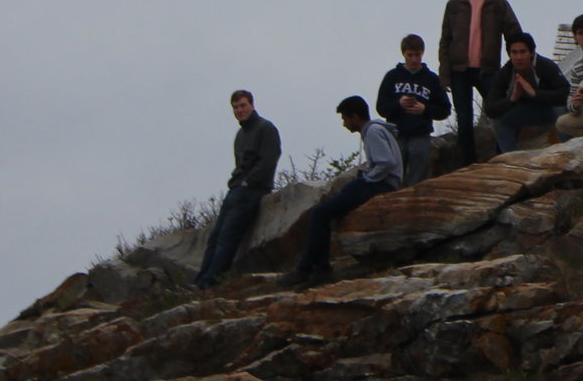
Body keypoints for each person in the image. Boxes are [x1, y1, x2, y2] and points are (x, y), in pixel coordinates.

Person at [291, 97, 402, 281]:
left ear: (355, 117)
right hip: (382, 183)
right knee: (326, 210)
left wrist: (368, 178)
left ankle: (310, 268)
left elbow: (387, 162)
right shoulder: (374, 131)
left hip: (381, 185)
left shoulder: (373, 132)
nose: (344, 123)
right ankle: (317, 268)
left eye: (345, 118)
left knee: (320, 213)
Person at [438, 0, 522, 166]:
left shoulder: (498, 4)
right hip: (459, 70)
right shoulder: (454, 5)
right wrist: (444, 74)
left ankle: (501, 157)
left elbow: (514, 35)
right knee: (464, 123)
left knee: (503, 113)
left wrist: (517, 67)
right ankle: (469, 165)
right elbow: (445, 41)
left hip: (489, 69)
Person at [191, 90, 279, 289]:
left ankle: (211, 280)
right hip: (236, 190)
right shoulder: (241, 134)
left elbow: (269, 160)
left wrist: (249, 182)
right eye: (236, 107)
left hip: (252, 191)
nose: (239, 110)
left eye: (243, 105)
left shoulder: (265, 128)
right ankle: (201, 280)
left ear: (252, 105)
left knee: (228, 237)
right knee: (216, 237)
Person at [376, 35, 452, 186]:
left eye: (417, 54)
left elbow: (445, 110)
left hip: (420, 134)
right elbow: (381, 107)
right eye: (410, 55)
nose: (414, 59)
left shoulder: (432, 79)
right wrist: (399, 104)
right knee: (394, 174)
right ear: (403, 53)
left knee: (417, 176)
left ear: (422, 53)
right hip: (397, 132)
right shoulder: (393, 76)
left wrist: (425, 109)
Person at [483, 31, 570, 152]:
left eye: (523, 52)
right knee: (498, 120)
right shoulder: (505, 73)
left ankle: (568, 152)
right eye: (514, 52)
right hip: (525, 113)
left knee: (561, 109)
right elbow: (490, 109)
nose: (519, 57)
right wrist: (512, 99)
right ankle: (511, 161)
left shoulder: (546, 66)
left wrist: (535, 93)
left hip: (549, 110)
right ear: (509, 54)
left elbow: (565, 93)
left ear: (531, 53)